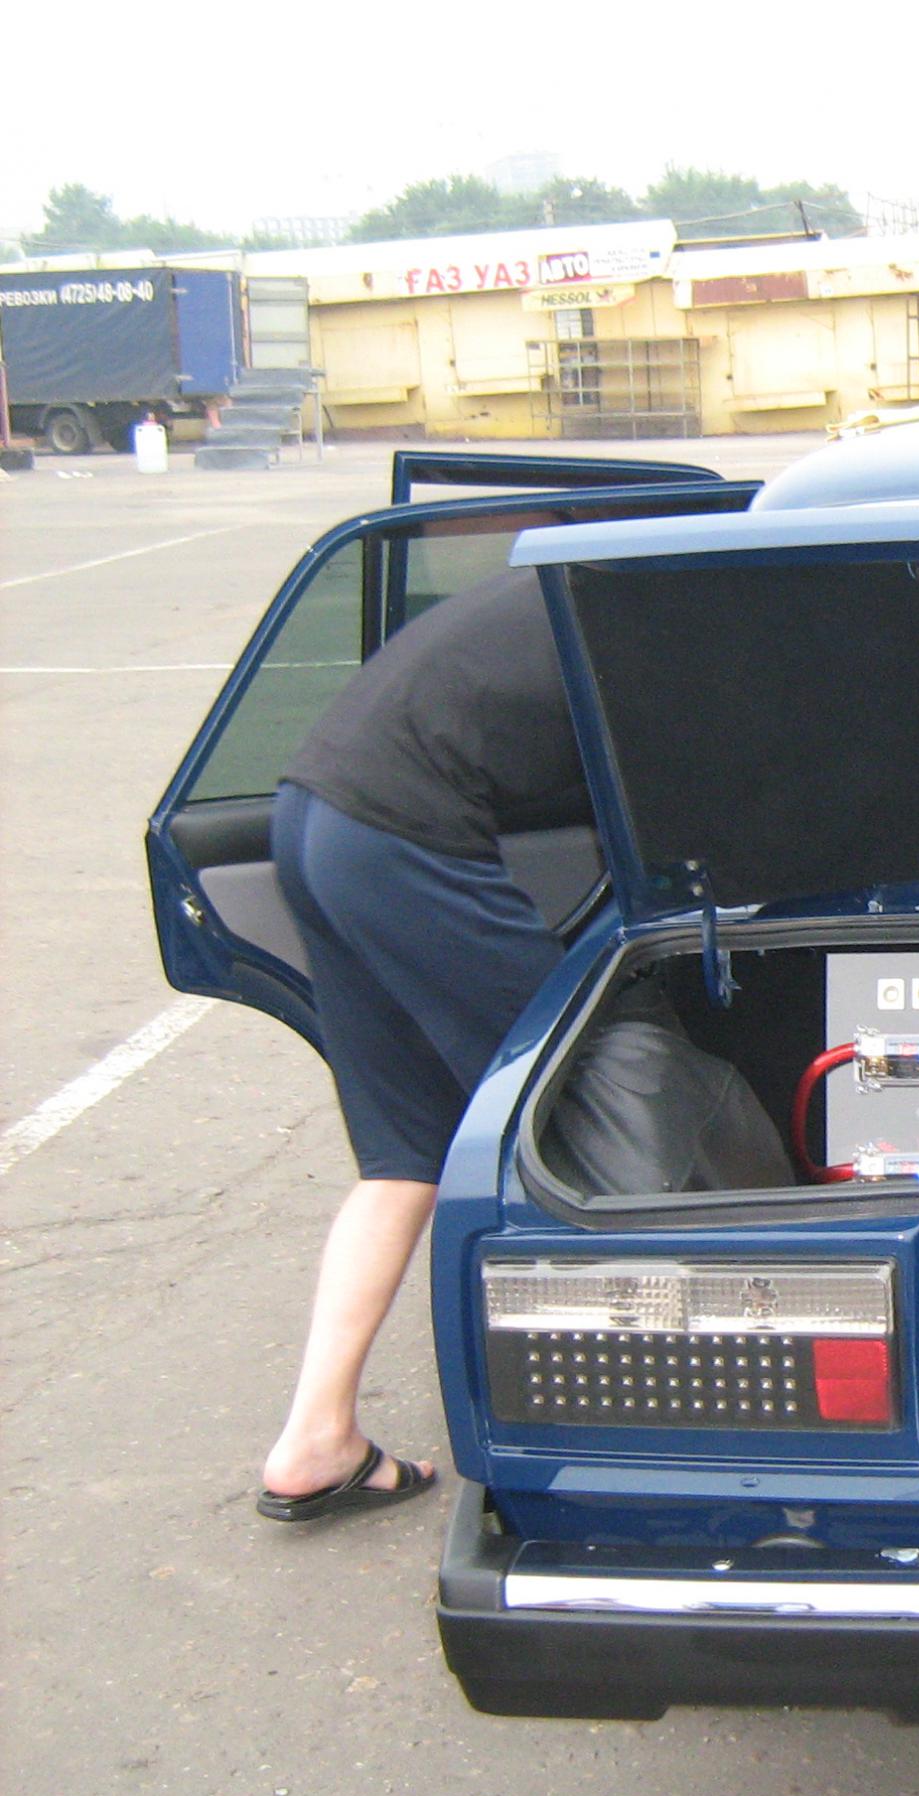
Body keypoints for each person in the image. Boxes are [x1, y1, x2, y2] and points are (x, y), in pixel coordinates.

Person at [255, 566, 586, 1521]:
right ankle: (597, 1423)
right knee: (584, 1099)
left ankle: (316, 1437)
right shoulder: (666, 606)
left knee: (407, 1156)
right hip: (401, 834)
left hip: (310, 818)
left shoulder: (574, 577)